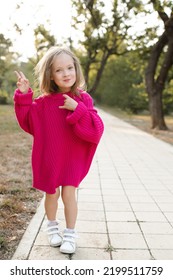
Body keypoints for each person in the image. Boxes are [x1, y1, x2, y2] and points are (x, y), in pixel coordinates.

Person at [14, 46, 104, 254]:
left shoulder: (83, 99)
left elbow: (95, 129)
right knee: (52, 193)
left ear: (76, 69)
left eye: (70, 68)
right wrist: (24, 94)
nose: (66, 74)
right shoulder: (44, 103)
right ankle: (52, 227)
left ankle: (70, 233)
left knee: (69, 194)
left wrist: (77, 108)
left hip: (73, 157)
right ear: (51, 75)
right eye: (59, 70)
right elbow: (28, 121)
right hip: (52, 156)